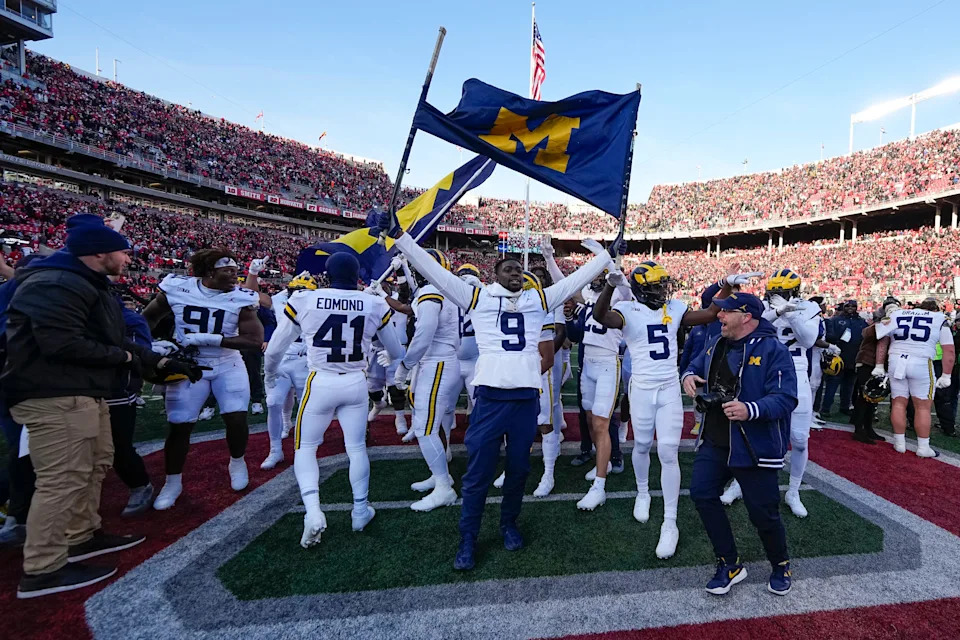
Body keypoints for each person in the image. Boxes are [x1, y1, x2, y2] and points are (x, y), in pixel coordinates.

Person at [388, 222, 615, 571]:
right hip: (491, 398)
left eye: (519, 271)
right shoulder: (476, 296)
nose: (516, 274)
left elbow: (575, 280)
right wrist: (402, 238)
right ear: (494, 274)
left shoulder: (538, 298)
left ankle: (509, 522)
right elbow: (433, 272)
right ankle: (468, 537)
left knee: (519, 469)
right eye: (508, 269)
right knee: (478, 472)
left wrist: (607, 256)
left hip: (525, 398)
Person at [3, 217, 198, 598]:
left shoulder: (85, 282)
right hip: (53, 394)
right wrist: (126, 357)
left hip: (83, 391)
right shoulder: (55, 283)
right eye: (122, 251)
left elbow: (112, 337)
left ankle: (82, 536)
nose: (128, 258)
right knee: (61, 479)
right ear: (99, 253)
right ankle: (42, 568)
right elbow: (62, 344)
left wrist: (155, 361)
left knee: (94, 465)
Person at [593, 264, 755, 559]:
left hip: (668, 387)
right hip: (641, 388)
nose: (662, 291)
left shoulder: (675, 307)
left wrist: (726, 284)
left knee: (668, 451)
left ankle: (670, 521)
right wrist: (609, 285)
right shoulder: (628, 310)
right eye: (655, 286)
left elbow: (709, 314)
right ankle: (643, 492)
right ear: (641, 289)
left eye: (662, 285)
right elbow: (600, 316)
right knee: (641, 444)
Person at [264, 253, 405, 547]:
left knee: (306, 448)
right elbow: (395, 349)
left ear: (326, 276)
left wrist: (269, 376)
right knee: (355, 448)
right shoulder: (374, 303)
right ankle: (360, 510)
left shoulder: (304, 299)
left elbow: (275, 350)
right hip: (355, 381)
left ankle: (313, 511)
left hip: (320, 380)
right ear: (357, 276)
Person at [682, 292, 798, 596]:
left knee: (763, 512)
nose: (718, 316)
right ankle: (729, 563)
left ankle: (780, 563)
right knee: (702, 493)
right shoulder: (716, 343)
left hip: (754, 444)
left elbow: (786, 398)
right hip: (716, 439)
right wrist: (689, 377)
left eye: (725, 312)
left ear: (746, 317)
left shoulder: (774, 350)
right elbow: (691, 366)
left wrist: (750, 409)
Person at [142, 249, 264, 510]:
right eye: (227, 270)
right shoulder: (178, 288)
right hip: (188, 363)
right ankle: (172, 482)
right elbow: (148, 318)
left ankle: (237, 462)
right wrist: (149, 345)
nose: (234, 275)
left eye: (235, 269)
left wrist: (216, 339)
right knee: (179, 425)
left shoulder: (240, 297)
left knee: (236, 417)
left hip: (227, 362)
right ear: (209, 271)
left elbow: (254, 340)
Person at [721, 269, 820, 519]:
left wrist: (791, 313)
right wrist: (777, 311)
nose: (775, 296)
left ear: (794, 292)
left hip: (797, 372)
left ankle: (793, 491)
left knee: (799, 439)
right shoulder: (763, 307)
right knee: (750, 430)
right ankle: (739, 483)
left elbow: (808, 340)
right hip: (761, 369)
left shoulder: (807, 307)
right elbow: (752, 328)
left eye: (781, 293)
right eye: (773, 292)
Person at [392, 249, 462, 512]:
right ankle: (439, 474)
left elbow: (424, 333)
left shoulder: (432, 292)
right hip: (442, 362)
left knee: (424, 428)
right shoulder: (443, 289)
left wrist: (405, 365)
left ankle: (444, 487)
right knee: (432, 424)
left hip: (437, 363)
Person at [874, 298, 955, 457]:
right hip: (921, 362)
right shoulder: (939, 318)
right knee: (923, 406)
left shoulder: (898, 314)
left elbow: (882, 340)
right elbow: (949, 351)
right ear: (936, 308)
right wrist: (946, 375)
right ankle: (923, 447)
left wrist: (878, 365)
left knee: (898, 402)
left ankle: (899, 443)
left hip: (896, 360)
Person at [260, 272, 317, 470]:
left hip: (305, 361)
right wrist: (252, 273)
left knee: (306, 406)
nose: (300, 295)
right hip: (282, 361)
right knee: (273, 401)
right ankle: (275, 449)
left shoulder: (317, 305)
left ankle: (305, 446)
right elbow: (254, 294)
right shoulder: (279, 301)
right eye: (296, 291)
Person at [821, 300, 866, 416]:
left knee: (849, 385)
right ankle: (826, 408)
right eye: (848, 306)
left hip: (853, 358)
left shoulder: (861, 322)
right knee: (832, 384)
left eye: (853, 306)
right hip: (837, 358)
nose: (850, 308)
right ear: (844, 307)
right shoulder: (835, 320)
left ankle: (845, 406)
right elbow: (828, 336)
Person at [849, 307, 887, 443]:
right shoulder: (873, 327)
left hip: (874, 365)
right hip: (866, 363)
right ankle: (859, 429)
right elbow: (869, 332)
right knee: (864, 397)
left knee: (873, 398)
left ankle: (868, 428)